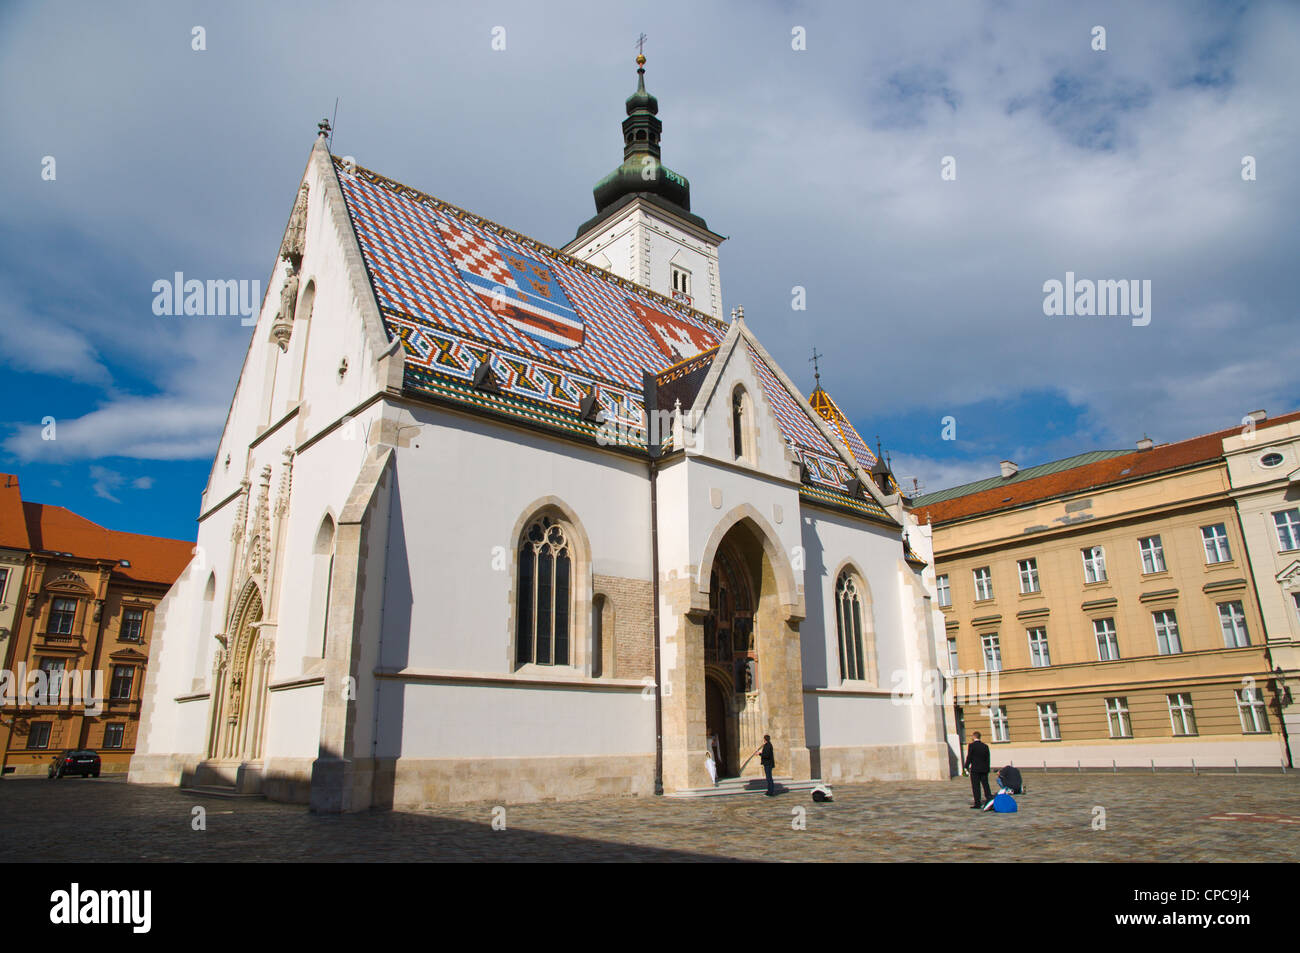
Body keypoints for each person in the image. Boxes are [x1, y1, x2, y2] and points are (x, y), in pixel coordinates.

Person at [963, 730, 992, 809]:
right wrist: (987, 768)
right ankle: (989, 799)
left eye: (972, 736)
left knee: (976, 786)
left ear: (974, 737)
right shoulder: (985, 746)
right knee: (986, 785)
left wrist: (966, 766)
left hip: (975, 769)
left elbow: (969, 757)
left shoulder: (972, 746)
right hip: (984, 769)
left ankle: (977, 803)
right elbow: (987, 758)